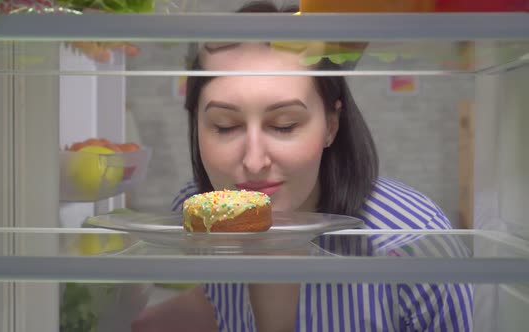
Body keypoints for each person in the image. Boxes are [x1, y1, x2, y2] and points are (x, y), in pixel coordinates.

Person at [133, 2, 473, 331]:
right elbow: (215, 303)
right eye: (225, 126)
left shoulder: (412, 240)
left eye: (284, 125)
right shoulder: (196, 218)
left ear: (331, 125)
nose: (254, 161)